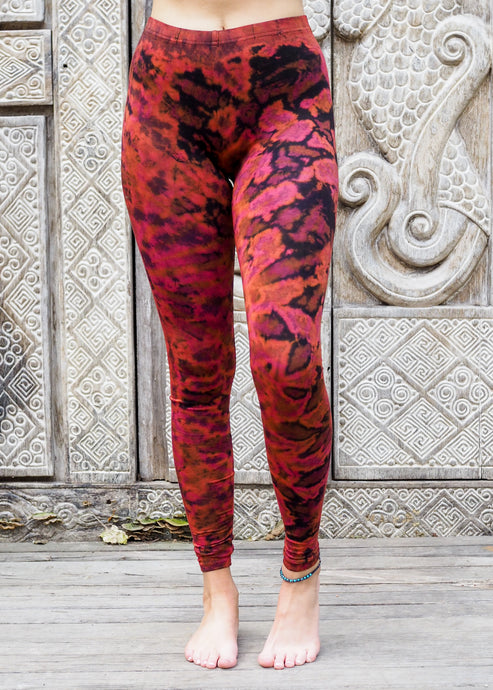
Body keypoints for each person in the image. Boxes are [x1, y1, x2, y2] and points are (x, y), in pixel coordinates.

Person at [121, 0, 338, 671]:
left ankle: (301, 570)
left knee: (286, 357)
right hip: (165, 100)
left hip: (286, 93)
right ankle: (217, 590)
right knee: (197, 371)